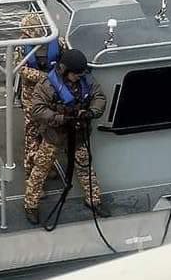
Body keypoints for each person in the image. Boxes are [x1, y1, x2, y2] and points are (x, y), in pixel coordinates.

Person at [25, 48, 109, 224]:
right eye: (75, 74)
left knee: (85, 168)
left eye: (80, 74)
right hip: (55, 135)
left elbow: (99, 97)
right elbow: (37, 109)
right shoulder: (47, 85)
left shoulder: (85, 79)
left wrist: (92, 112)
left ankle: (93, 200)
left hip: (78, 134)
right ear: (64, 70)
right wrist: (60, 118)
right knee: (41, 169)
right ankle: (30, 204)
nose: (79, 77)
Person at [15, 12, 66, 180]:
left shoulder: (57, 42)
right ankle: (31, 169)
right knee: (32, 134)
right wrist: (46, 77)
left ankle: (46, 166)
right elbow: (21, 69)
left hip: (50, 95)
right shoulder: (21, 46)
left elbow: (65, 60)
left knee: (49, 132)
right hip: (31, 96)